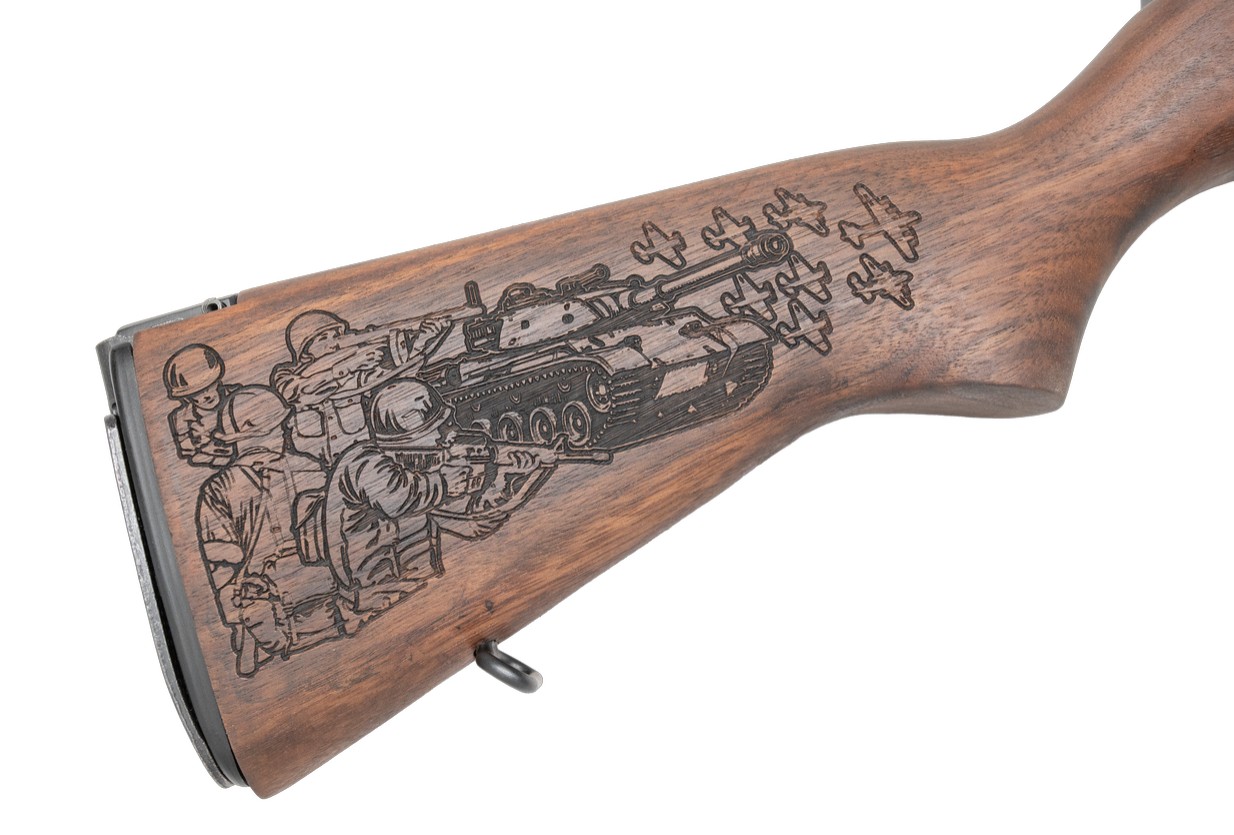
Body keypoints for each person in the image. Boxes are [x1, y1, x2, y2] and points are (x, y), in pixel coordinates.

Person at [323, 379, 549, 631]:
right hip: (373, 605)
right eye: (437, 430)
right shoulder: (363, 464)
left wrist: (507, 478)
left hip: (413, 594)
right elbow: (401, 497)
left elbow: (468, 524)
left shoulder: (418, 472)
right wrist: (446, 482)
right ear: (409, 439)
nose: (448, 436)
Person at [194, 385, 341, 676]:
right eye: (277, 425)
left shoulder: (218, 489)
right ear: (258, 434)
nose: (286, 430)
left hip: (299, 608)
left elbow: (221, 570)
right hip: (285, 613)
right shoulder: (308, 467)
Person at [270, 309, 448, 465]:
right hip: (313, 472)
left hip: (361, 463)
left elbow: (393, 378)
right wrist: (348, 365)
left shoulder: (358, 373)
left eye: (337, 335)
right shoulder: (285, 376)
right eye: (323, 338)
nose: (334, 343)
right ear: (305, 353)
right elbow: (293, 392)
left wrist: (420, 342)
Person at [163, 343, 237, 467]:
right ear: (186, 398)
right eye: (197, 393)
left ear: (218, 381)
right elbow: (188, 454)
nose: (206, 395)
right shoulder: (181, 420)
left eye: (209, 386)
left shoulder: (237, 396)